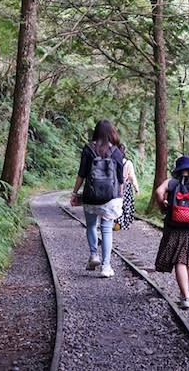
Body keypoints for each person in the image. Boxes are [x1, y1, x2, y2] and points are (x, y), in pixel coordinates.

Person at [70, 119, 124, 278]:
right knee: (107, 230)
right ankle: (106, 267)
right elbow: (120, 179)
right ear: (111, 133)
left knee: (91, 226)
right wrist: (119, 198)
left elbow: (82, 174)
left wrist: (74, 193)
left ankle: (94, 255)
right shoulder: (116, 152)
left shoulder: (88, 149)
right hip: (110, 198)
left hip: (91, 196)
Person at [155, 155, 189, 309]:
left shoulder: (171, 183)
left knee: (180, 260)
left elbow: (159, 192)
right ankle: (185, 294)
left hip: (173, 225)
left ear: (178, 169)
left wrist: (163, 207)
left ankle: (185, 295)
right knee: (186, 260)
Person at [115, 144, 139, 231]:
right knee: (126, 206)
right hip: (126, 187)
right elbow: (132, 176)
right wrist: (136, 187)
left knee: (117, 204)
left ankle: (117, 223)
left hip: (116, 186)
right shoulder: (128, 163)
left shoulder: (114, 161)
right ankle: (124, 224)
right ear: (124, 151)